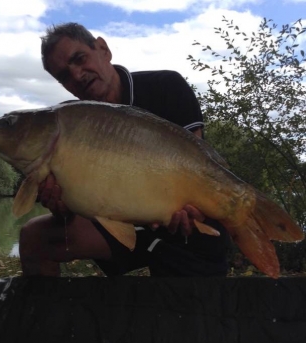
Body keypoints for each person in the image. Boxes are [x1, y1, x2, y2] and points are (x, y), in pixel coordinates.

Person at [19, 22, 230, 277]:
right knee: (33, 237)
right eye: (64, 75)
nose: (76, 75)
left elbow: (200, 165)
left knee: (180, 309)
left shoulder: (166, 87)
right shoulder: (69, 124)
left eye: (79, 58)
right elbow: (77, 207)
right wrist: (60, 206)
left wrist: (195, 208)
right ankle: (42, 315)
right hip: (117, 225)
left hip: (184, 227)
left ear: (103, 49)